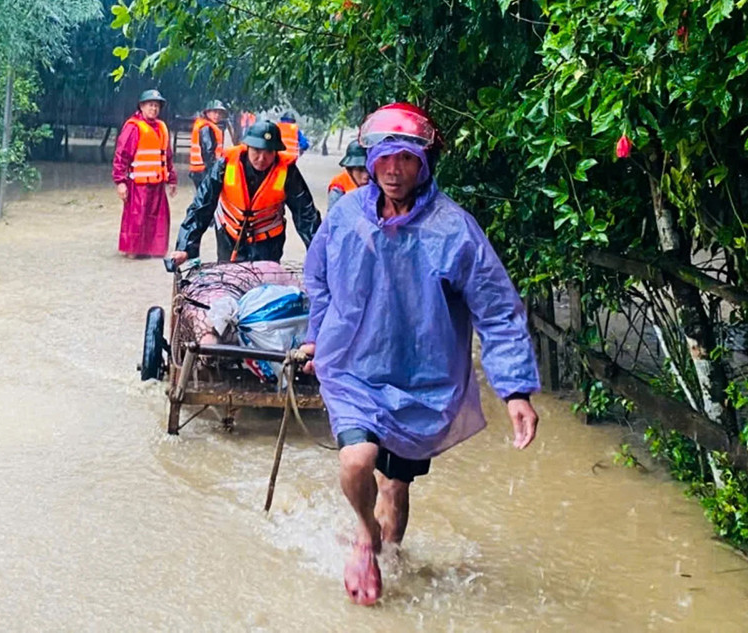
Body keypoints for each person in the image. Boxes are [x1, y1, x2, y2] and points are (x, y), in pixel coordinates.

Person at [301, 103, 540, 606]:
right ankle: (365, 536)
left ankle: (389, 560)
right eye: (385, 158)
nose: (393, 170)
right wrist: (318, 337)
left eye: (406, 160)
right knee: (356, 461)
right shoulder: (345, 216)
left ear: (424, 163)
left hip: (421, 380)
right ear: (370, 160)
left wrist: (515, 389)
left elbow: (496, 308)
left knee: (397, 490)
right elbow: (318, 277)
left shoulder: (453, 230)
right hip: (354, 369)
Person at [170, 120, 321, 264]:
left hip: (268, 241)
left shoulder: (287, 171)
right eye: (257, 150)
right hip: (228, 235)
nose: (262, 158)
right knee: (230, 282)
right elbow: (202, 205)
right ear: (247, 146)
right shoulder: (226, 164)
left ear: (276, 152)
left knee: (264, 285)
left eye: (269, 152)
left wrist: (318, 253)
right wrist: (185, 247)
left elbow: (306, 214)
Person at [112, 89, 178, 258]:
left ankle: (153, 250)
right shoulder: (133, 127)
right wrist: (120, 182)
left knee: (158, 219)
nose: (154, 109)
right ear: (141, 106)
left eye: (156, 106)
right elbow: (121, 155)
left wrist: (172, 179)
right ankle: (133, 250)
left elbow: (167, 156)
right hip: (138, 184)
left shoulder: (162, 127)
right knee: (137, 218)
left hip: (157, 184)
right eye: (150, 105)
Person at [190, 99, 228, 189]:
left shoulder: (207, 126)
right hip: (204, 170)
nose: (217, 115)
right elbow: (208, 152)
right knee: (206, 199)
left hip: (199, 170)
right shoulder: (206, 128)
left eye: (219, 113)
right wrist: (214, 169)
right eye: (214, 112)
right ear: (207, 112)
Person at [327, 141, 369, 210]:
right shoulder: (339, 187)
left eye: (369, 170)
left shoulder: (379, 183)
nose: (366, 176)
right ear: (350, 170)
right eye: (360, 170)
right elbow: (333, 217)